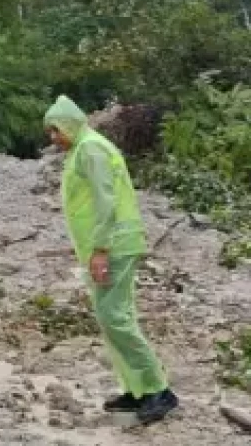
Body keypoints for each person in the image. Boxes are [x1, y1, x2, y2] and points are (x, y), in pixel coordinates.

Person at [43, 95, 178, 424]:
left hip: (114, 246)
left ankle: (158, 389)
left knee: (114, 317)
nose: (53, 138)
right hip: (108, 246)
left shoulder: (90, 149)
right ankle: (137, 388)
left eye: (55, 130)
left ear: (70, 125)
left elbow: (106, 201)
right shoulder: (84, 148)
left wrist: (101, 249)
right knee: (115, 316)